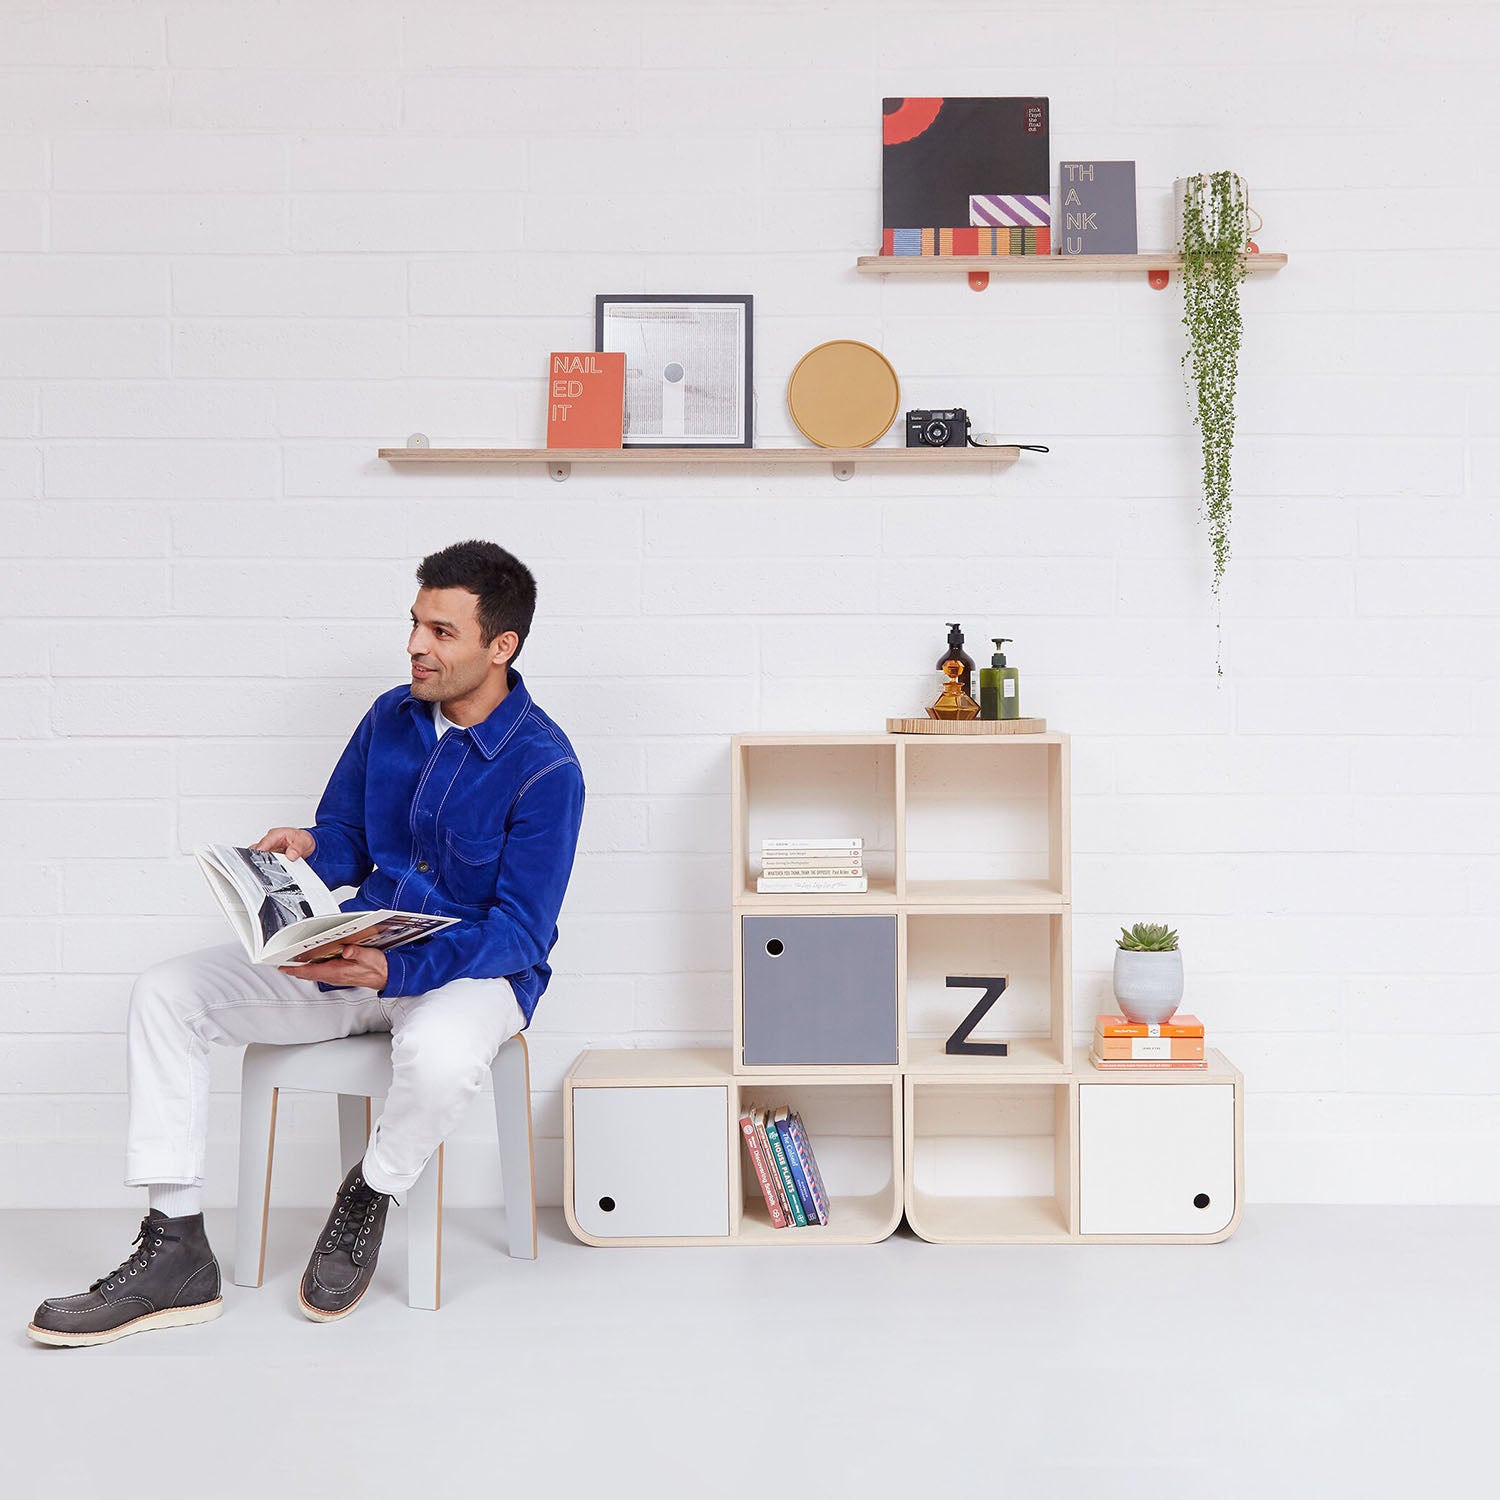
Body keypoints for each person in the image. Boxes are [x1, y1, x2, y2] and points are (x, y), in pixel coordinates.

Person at [27, 540, 585, 1345]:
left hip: (470, 972)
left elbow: (522, 932)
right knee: (166, 994)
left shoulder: (546, 767)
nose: (416, 647)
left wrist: (400, 968)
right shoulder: (390, 717)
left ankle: (371, 1190)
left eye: (441, 631)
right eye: (414, 623)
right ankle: (177, 1246)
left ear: (502, 647)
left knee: (439, 1057)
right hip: (358, 951)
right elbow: (351, 838)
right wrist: (310, 847)